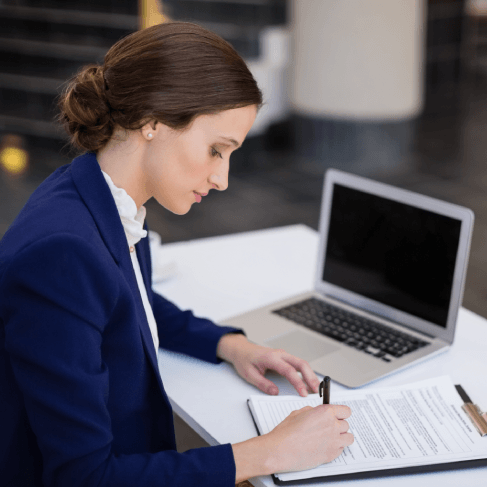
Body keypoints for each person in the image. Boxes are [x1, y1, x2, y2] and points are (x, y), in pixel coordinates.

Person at [0, 22, 353, 487]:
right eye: (215, 150)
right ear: (152, 121)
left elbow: (126, 303)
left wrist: (228, 344)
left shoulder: (97, 195)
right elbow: (85, 478)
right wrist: (267, 453)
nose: (222, 179)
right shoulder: (62, 253)